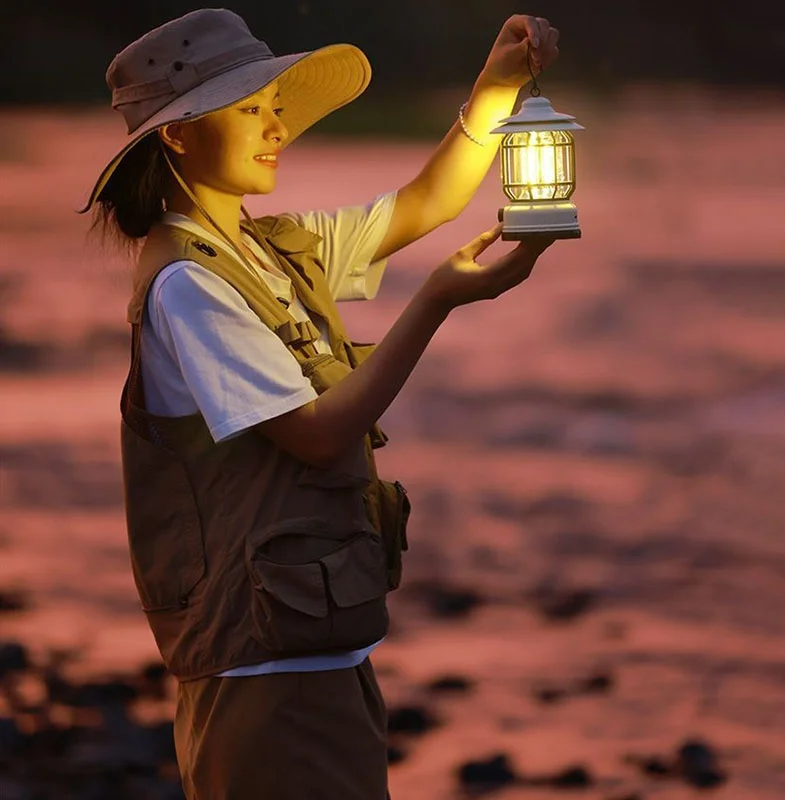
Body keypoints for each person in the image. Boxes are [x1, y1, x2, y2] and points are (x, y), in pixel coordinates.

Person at [81, 8, 559, 799]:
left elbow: (423, 204)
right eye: (249, 109)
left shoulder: (266, 250)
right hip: (265, 676)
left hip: (314, 655)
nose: (275, 127)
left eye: (274, 106)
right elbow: (318, 436)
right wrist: (436, 299)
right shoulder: (188, 285)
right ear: (176, 135)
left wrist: (493, 93)